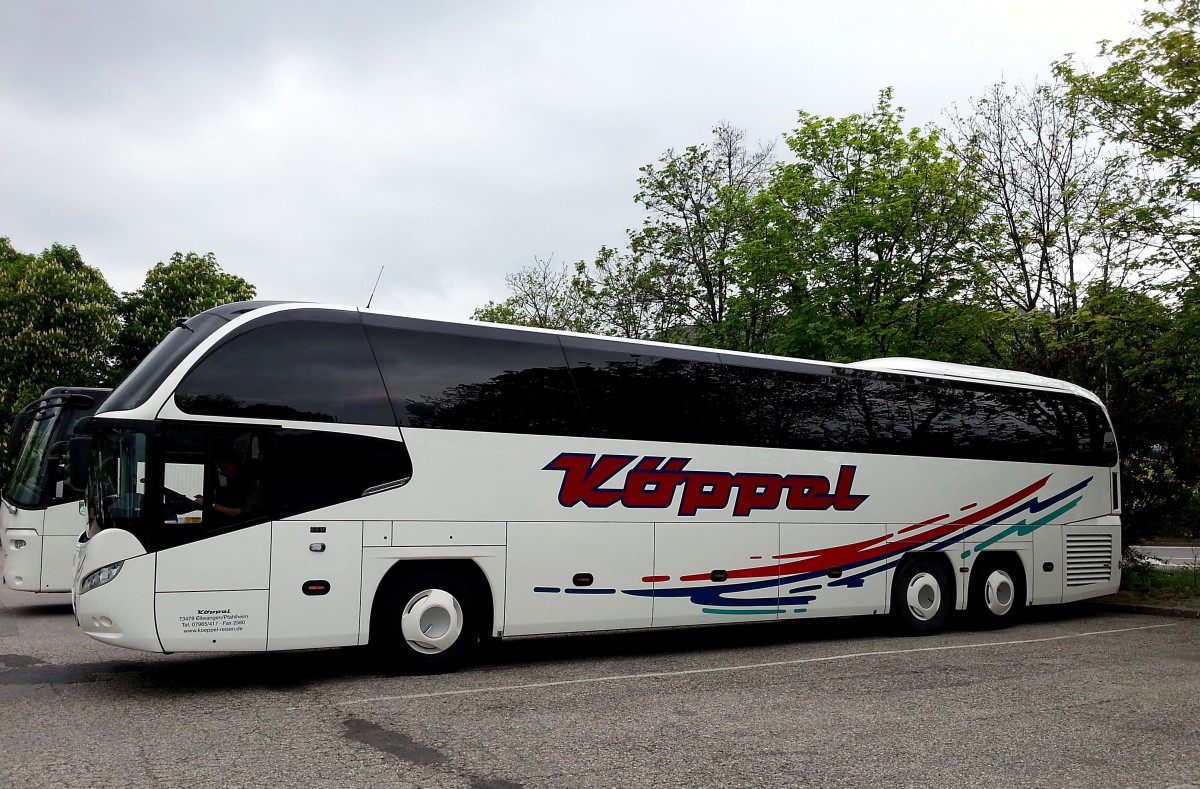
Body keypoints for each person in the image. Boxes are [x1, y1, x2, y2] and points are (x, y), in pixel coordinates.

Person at [193, 448, 262, 520]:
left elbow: (240, 512)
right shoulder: (231, 481)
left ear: (233, 465)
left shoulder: (252, 485)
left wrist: (210, 504)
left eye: (223, 468)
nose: (221, 473)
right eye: (219, 470)